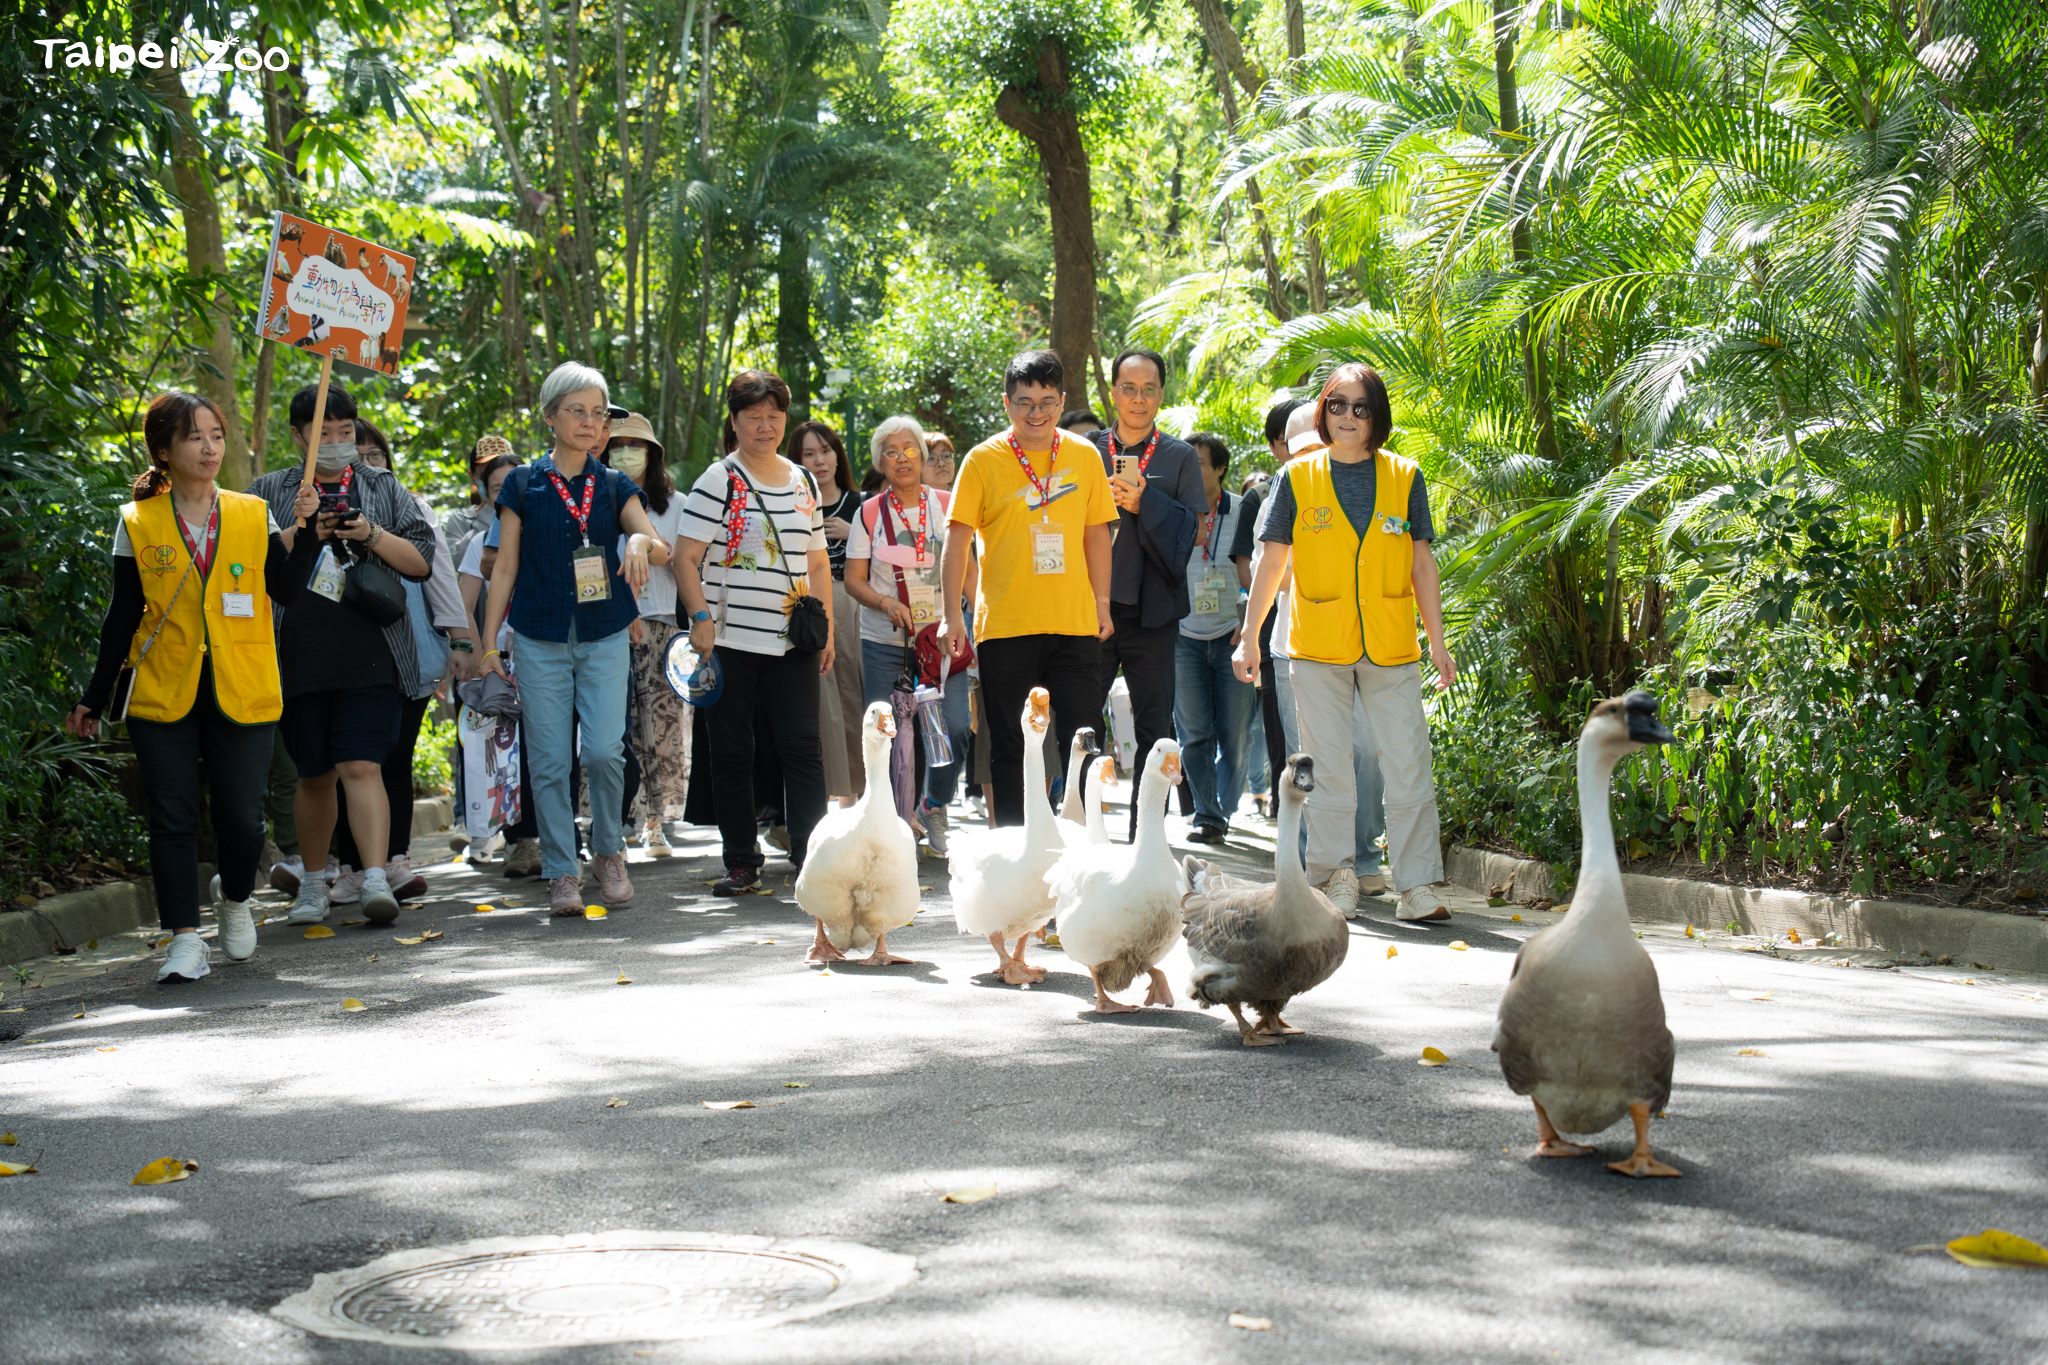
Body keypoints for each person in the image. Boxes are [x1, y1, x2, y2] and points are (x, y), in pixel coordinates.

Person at [70, 394, 320, 981]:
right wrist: (93, 695)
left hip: (243, 685)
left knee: (242, 820)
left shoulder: (254, 513)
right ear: (164, 452)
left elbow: (285, 592)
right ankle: (183, 937)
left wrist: (305, 530)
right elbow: (122, 616)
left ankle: (233, 898)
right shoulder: (138, 520)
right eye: (194, 438)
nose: (209, 448)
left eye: (216, 435)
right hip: (163, 691)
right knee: (171, 818)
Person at [1235, 364, 1457, 922]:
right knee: (1328, 767)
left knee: (1408, 764)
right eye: (1338, 406)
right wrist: (1249, 639)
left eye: (1361, 408)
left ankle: (1417, 887)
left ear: (1376, 415)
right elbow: (1270, 561)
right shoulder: (1297, 478)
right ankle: (1336, 879)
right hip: (1317, 647)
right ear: (1323, 413)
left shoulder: (1405, 476)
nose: (1349, 417)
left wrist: (1438, 641)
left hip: (1391, 644)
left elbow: (1421, 562)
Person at [479, 363, 671, 916]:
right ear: (550, 417)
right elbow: (506, 567)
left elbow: (657, 546)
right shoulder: (522, 484)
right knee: (547, 760)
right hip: (539, 636)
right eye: (577, 411)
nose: (590, 423)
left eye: (597, 413)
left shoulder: (614, 485)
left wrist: (637, 543)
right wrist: (490, 644)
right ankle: (563, 869)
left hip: (604, 632)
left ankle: (609, 851)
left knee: (606, 751)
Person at [247, 383, 436, 927]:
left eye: (344, 432)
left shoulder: (381, 486)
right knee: (313, 774)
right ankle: (313, 879)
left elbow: (421, 559)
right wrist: (302, 527)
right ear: (297, 436)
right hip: (299, 653)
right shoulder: (268, 490)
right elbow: (251, 561)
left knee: (362, 763)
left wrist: (369, 532)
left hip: (373, 650)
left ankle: (374, 876)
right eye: (322, 433)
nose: (335, 442)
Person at [938, 348, 1116, 826]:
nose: (1036, 413)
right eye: (1024, 402)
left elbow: (1097, 532)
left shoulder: (1083, 456)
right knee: (1013, 743)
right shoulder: (982, 460)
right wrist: (952, 616)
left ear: (1062, 401)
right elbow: (956, 540)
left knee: (1083, 739)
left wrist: (1102, 602)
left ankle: (1085, 844)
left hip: (1075, 623)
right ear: (1006, 403)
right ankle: (1017, 849)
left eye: (1047, 402)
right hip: (1006, 628)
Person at [674, 369, 833, 894]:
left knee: (802, 749)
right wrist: (701, 620)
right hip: (729, 643)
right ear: (735, 421)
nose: (765, 427)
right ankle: (741, 859)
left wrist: (825, 630)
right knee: (732, 752)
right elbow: (684, 557)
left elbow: (817, 564)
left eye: (774, 416)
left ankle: (810, 857)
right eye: (753, 417)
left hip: (793, 641)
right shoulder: (718, 480)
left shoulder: (802, 480)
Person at [1085, 346, 1203, 837]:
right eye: (1128, 388)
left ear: (1161, 395)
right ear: (1113, 393)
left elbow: (1194, 530)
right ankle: (1083, 830)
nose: (1138, 399)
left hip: (1153, 615)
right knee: (1082, 724)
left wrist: (1145, 501)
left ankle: (1145, 837)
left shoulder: (1177, 457)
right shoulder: (1087, 450)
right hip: (1090, 608)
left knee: (1155, 728)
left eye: (1148, 389)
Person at [846, 415, 971, 855]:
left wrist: (972, 618)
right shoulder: (869, 512)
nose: (902, 459)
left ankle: (934, 803)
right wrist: (885, 604)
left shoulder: (947, 503)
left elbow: (967, 567)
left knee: (953, 728)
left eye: (910, 450)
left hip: (941, 640)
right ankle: (894, 827)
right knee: (891, 734)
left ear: (923, 454)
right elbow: (854, 579)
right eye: (892, 452)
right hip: (886, 643)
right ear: (880, 461)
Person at [605, 412, 689, 856]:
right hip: (608, 627)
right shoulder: (595, 499)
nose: (624, 453)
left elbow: (683, 563)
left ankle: (654, 822)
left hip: (661, 622)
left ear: (652, 453)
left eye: (634, 446)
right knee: (615, 729)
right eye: (616, 445)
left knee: (660, 726)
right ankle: (609, 819)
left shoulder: (676, 505)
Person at [1172, 432, 1258, 843]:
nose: (1191, 470)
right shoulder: (1174, 512)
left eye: (1200, 463)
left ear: (1220, 468)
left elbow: (1259, 574)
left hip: (1232, 637)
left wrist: (1249, 623)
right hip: (1183, 638)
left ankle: (1221, 808)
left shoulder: (1243, 513)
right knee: (1194, 735)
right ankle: (1208, 816)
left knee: (1236, 738)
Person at [792, 419, 866, 803]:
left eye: (825, 450)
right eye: (809, 454)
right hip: (805, 607)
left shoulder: (862, 504)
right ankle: (824, 791)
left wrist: (851, 531)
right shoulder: (790, 502)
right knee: (819, 700)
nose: (819, 461)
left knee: (854, 697)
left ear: (838, 454)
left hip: (853, 607)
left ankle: (857, 791)